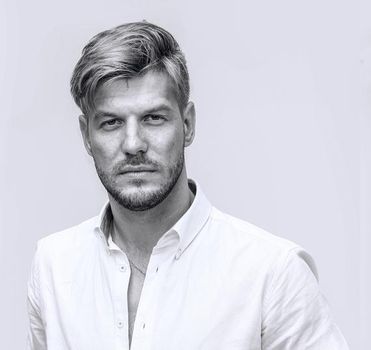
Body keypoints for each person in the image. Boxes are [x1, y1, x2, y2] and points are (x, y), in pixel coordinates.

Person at [27, 21, 349, 349]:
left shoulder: (273, 273)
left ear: (188, 124)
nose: (133, 143)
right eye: (111, 123)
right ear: (86, 136)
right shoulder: (53, 264)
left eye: (154, 118)